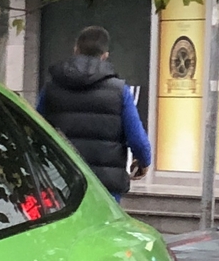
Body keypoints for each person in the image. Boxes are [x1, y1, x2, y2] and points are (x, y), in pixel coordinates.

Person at [36, 25, 151, 198]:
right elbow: (137, 138)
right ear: (105, 55)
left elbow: (36, 129)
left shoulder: (51, 88)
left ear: (76, 49)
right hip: (104, 187)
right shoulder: (119, 91)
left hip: (60, 182)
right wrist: (143, 162)